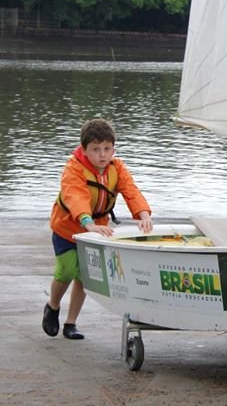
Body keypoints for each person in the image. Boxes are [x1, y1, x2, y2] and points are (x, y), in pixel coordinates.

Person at [42, 118, 153, 340]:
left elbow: (131, 191)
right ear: (84, 149)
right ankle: (52, 306)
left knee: (85, 276)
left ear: (113, 149)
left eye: (107, 149)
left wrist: (143, 214)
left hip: (97, 230)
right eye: (95, 149)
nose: (102, 154)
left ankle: (71, 323)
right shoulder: (74, 168)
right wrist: (86, 222)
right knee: (66, 270)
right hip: (68, 228)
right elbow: (75, 196)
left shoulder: (117, 168)